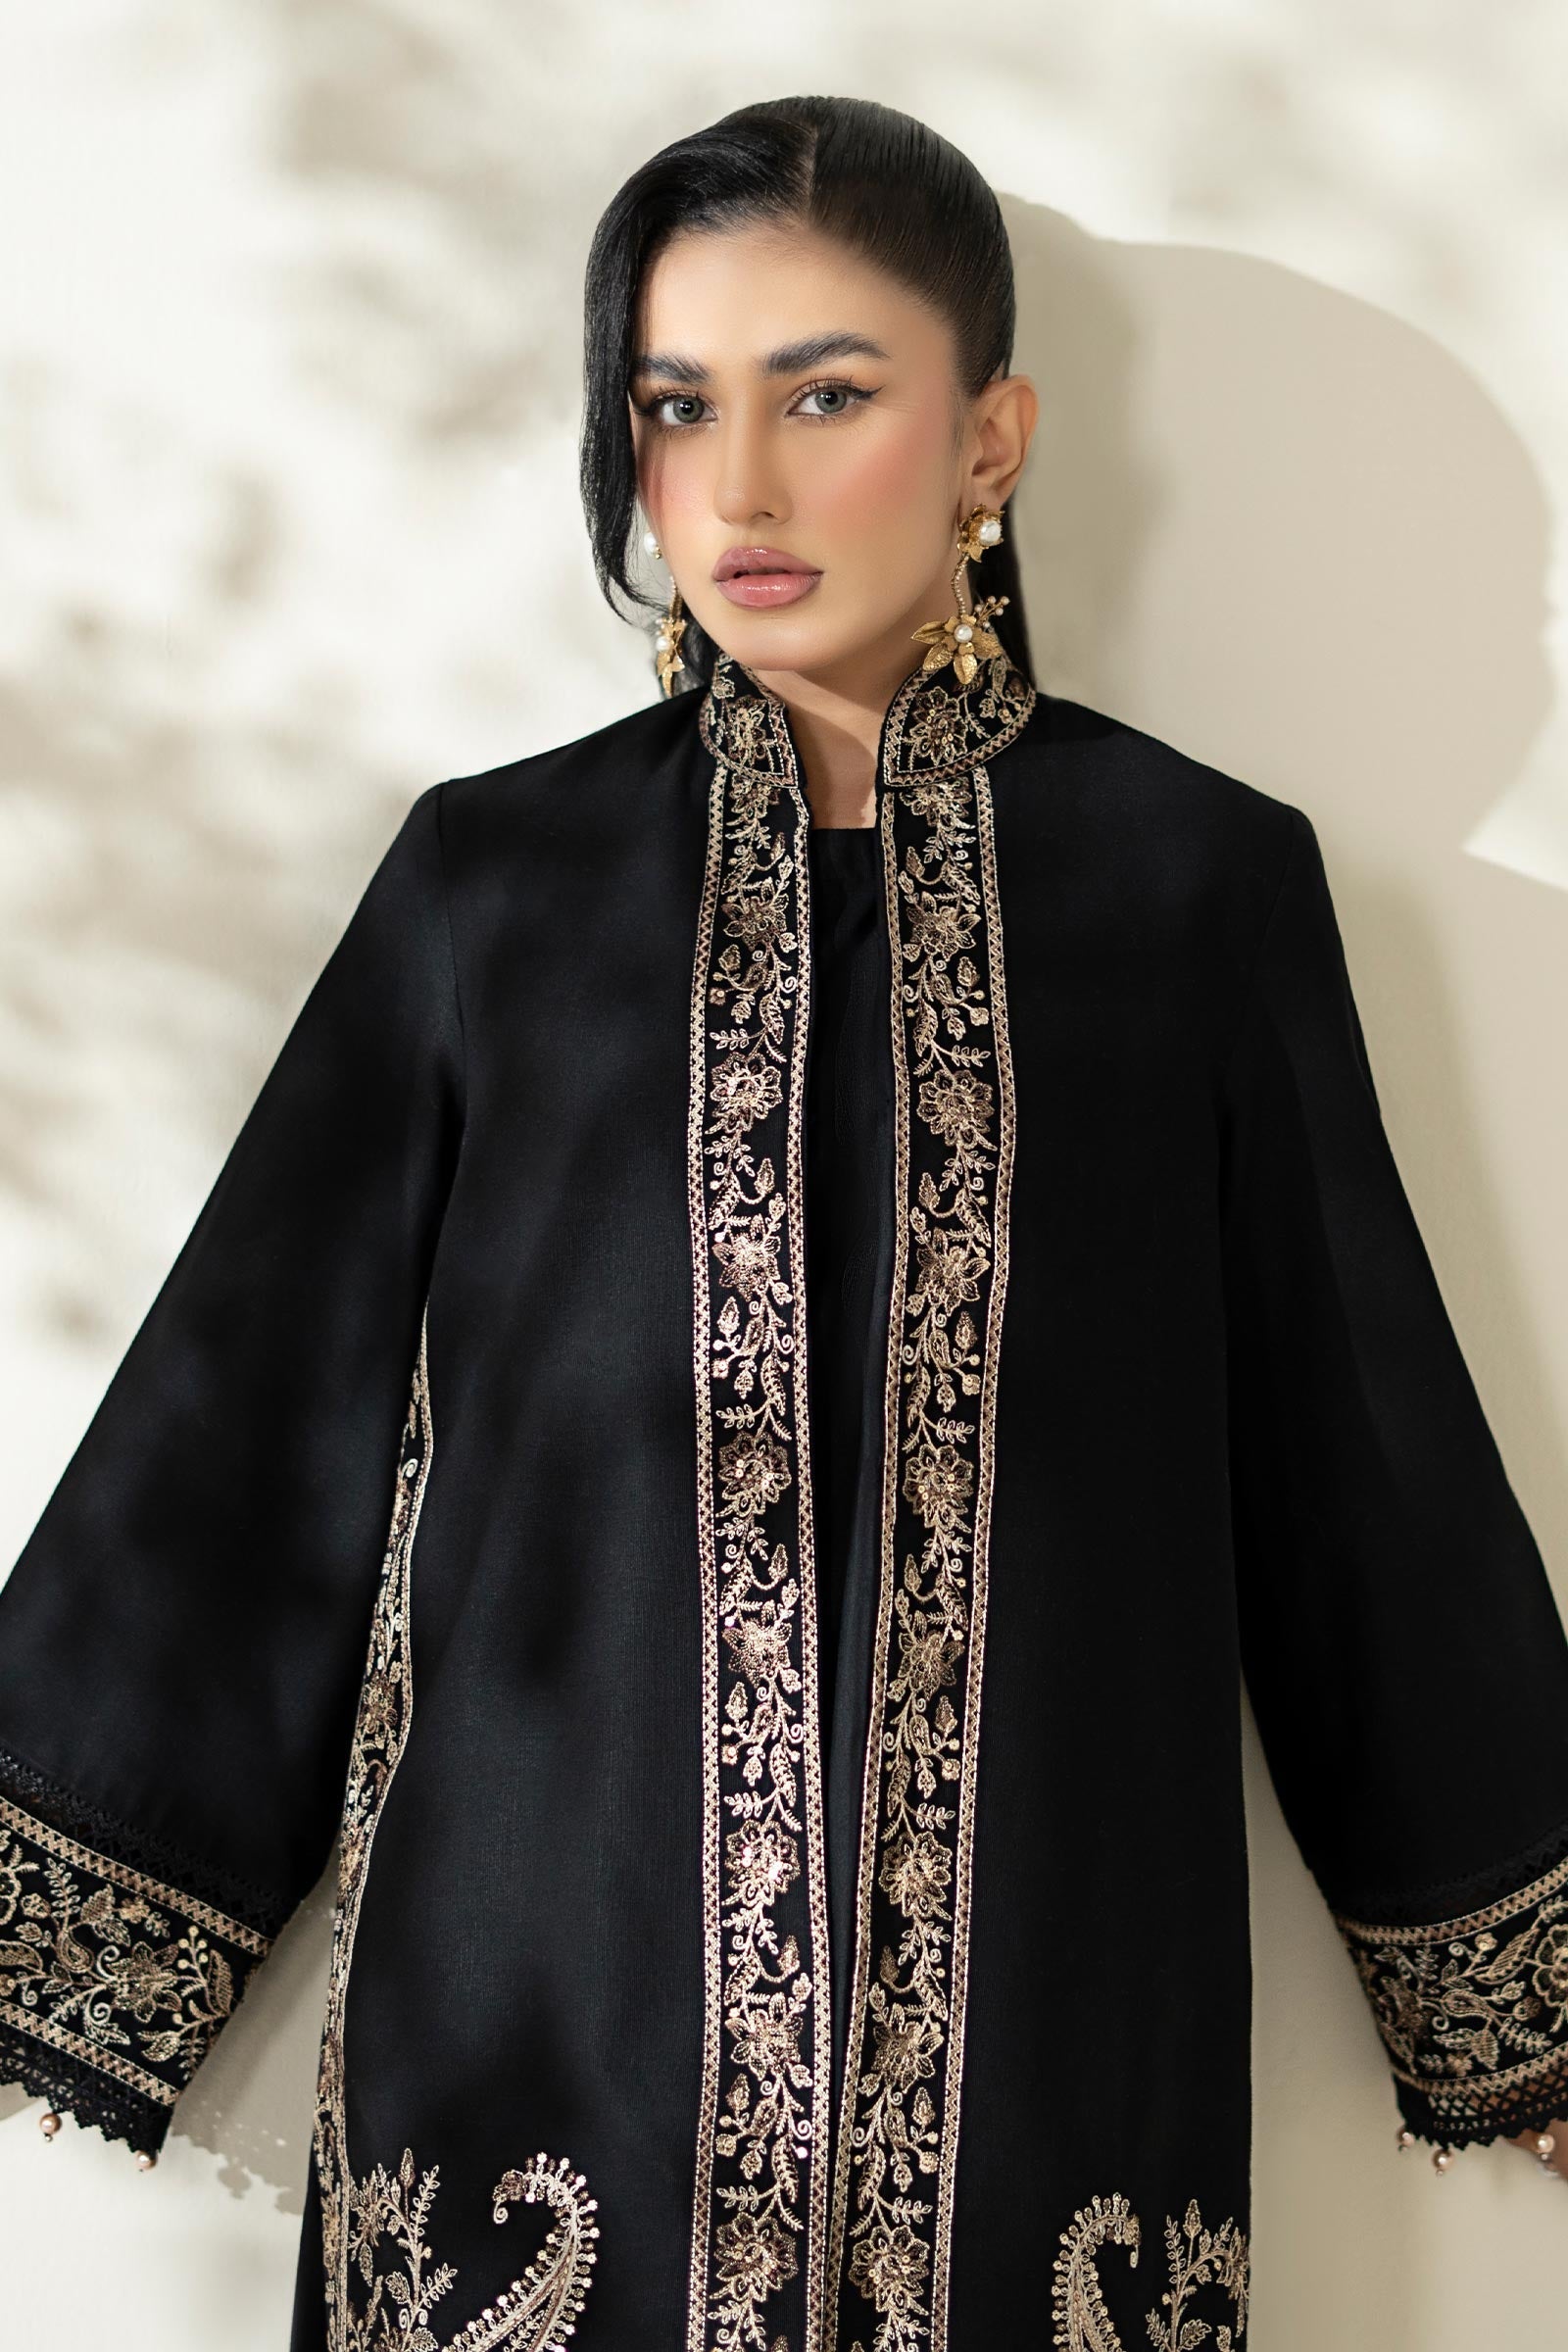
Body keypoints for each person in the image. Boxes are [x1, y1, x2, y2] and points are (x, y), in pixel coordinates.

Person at [2, 92, 1565, 2352]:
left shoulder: (1188, 891)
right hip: (537, 2073)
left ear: (987, 438)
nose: (736, 487)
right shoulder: (498, 891)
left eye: (824, 397)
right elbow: (249, 1424)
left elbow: (1353, 1464)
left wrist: (1511, 1976)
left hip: (1037, 2064)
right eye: (673, 408)